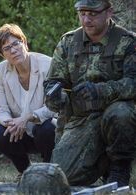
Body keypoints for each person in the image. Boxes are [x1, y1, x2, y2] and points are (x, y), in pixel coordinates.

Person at [44, 0, 136, 187]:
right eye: (82, 13)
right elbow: (54, 82)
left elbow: (133, 83)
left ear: (108, 12)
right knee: (62, 178)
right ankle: (103, 163)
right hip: (82, 118)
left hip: (118, 114)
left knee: (120, 113)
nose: (86, 19)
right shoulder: (68, 42)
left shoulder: (128, 42)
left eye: (92, 14)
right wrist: (55, 96)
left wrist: (100, 90)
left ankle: (119, 168)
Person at [0, 23, 56, 181]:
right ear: (2, 54)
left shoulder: (48, 65)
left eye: (16, 43)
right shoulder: (0, 71)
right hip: (20, 132)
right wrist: (11, 123)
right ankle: (26, 172)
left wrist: (26, 118)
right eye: (7, 48)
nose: (13, 50)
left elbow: (55, 107)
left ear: (25, 43)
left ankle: (50, 172)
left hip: (46, 130)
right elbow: (1, 109)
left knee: (49, 128)